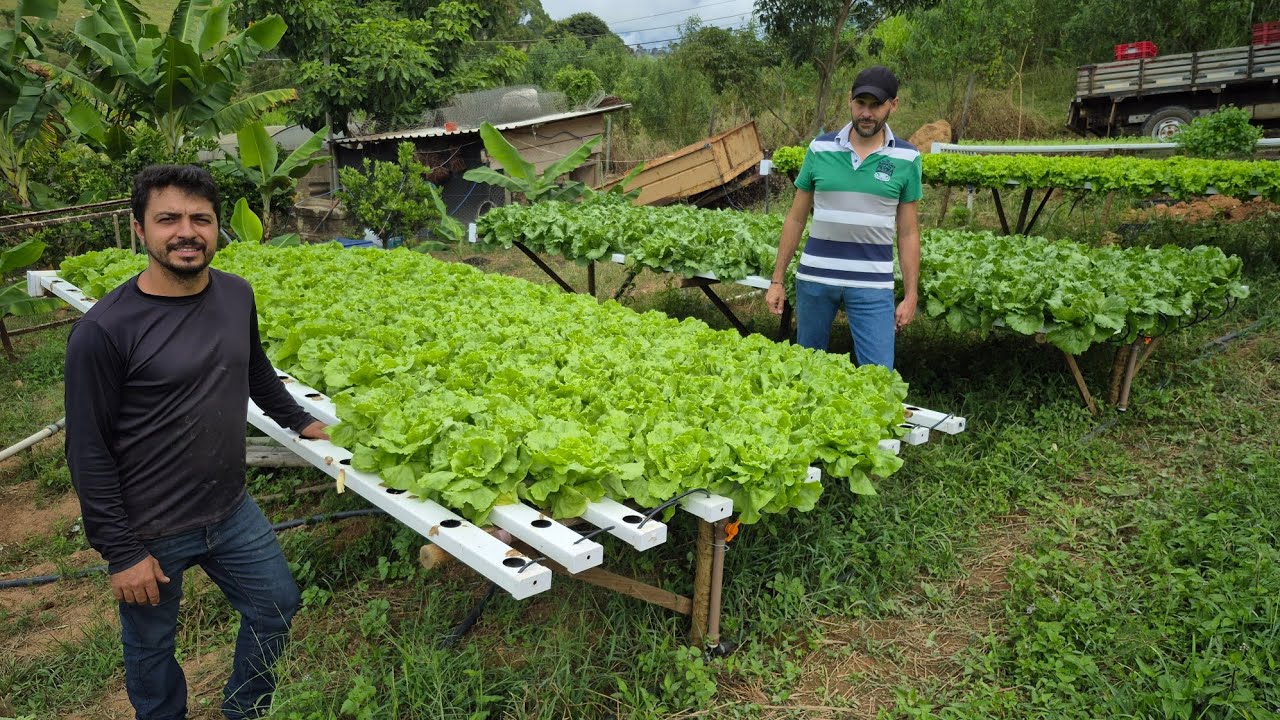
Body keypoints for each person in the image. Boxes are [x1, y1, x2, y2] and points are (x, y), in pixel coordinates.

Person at [64, 164, 329, 720]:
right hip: (150, 527)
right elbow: (87, 452)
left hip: (230, 508)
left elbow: (256, 371)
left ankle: (245, 708)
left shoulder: (236, 295)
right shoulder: (105, 331)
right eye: (168, 219)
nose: (187, 231)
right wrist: (122, 551)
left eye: (200, 219)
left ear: (216, 228)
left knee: (276, 605)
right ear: (140, 230)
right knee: (152, 647)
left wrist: (303, 422)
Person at [766, 65, 922, 369]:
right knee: (808, 369)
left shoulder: (907, 158)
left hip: (873, 284)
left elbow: (908, 232)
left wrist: (911, 294)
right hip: (815, 279)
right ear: (849, 100)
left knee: (878, 375)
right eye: (860, 103)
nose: (866, 113)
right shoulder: (820, 148)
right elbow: (796, 219)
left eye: (876, 105)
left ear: (894, 105)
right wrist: (777, 280)